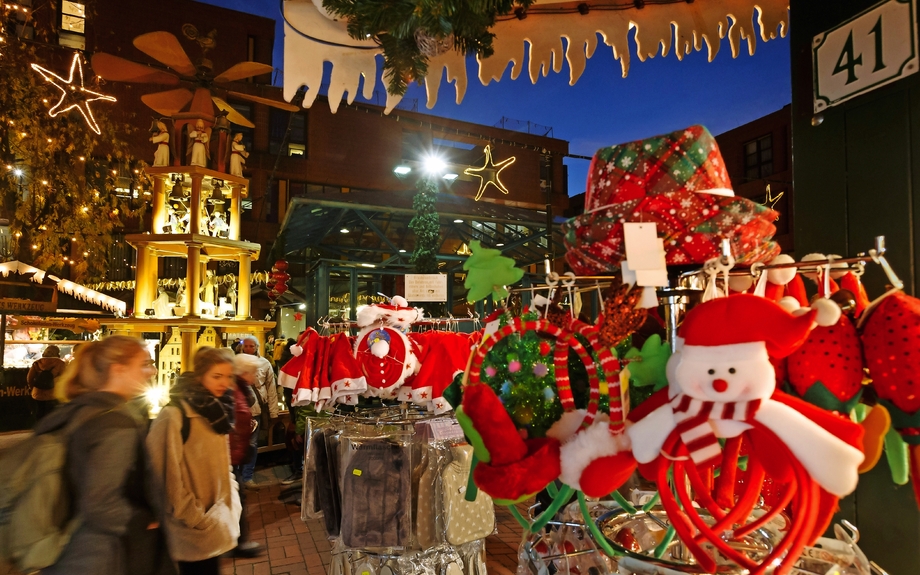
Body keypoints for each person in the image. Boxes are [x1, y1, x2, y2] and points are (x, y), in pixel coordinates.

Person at [38, 336, 170, 575]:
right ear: (118, 369)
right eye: (143, 364)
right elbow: (100, 503)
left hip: (67, 551)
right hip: (103, 556)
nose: (151, 371)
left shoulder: (80, 409)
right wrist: (146, 522)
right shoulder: (116, 423)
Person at [147, 347, 241, 575]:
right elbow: (162, 474)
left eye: (228, 376)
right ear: (200, 376)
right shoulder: (175, 415)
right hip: (193, 528)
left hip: (215, 520)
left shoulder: (218, 412)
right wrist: (194, 516)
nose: (223, 383)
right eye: (216, 376)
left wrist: (232, 500)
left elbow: (223, 463)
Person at [229, 353, 264, 558]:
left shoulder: (241, 387)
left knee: (238, 496)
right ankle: (237, 541)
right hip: (232, 456)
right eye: (253, 371)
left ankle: (237, 539)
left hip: (236, 454)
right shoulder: (235, 388)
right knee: (236, 495)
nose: (256, 374)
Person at [238, 335, 278, 489]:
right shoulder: (238, 362)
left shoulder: (265, 363)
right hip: (240, 411)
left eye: (251, 346)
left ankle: (247, 476)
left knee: (252, 444)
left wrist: (273, 411)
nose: (248, 349)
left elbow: (271, 387)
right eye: (246, 346)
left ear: (257, 347)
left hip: (256, 410)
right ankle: (237, 476)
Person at [26, 344, 66, 421]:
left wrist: (32, 388)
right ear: (57, 353)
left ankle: (39, 427)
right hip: (53, 393)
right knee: (52, 412)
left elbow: (29, 378)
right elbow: (64, 378)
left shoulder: (37, 363)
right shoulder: (60, 363)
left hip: (38, 392)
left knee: (40, 410)